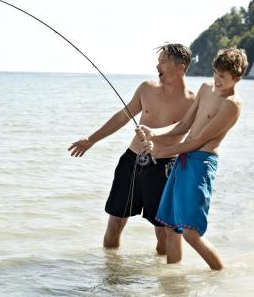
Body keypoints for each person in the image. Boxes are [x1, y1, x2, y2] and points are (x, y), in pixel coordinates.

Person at [68, 43, 196, 254]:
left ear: (180, 67)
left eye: (163, 61)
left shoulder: (192, 101)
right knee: (115, 222)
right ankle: (110, 278)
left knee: (163, 232)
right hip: (132, 162)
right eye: (158, 60)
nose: (157, 65)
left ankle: (163, 279)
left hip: (164, 168)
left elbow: (188, 133)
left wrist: (156, 136)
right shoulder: (147, 88)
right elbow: (122, 116)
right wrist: (91, 139)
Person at [137, 48, 248, 270]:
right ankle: (173, 281)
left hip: (201, 164)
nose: (217, 80)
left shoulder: (232, 105)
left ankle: (221, 276)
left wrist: (161, 152)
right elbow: (185, 125)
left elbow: (199, 142)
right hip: (183, 159)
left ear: (236, 78)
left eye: (223, 77)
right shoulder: (206, 88)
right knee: (170, 226)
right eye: (215, 73)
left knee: (190, 233)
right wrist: (155, 133)